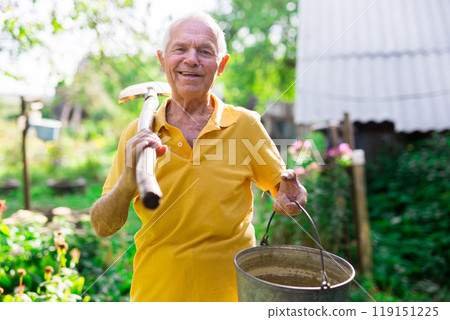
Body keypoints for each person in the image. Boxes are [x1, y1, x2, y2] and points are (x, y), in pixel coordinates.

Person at [90, 12, 307, 302]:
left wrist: (290, 199)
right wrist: (129, 178)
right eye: (180, 49)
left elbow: (283, 193)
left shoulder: (246, 125)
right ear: (162, 59)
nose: (191, 59)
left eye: (205, 51)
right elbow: (103, 226)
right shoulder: (137, 134)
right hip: (156, 298)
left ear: (221, 65)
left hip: (233, 299)